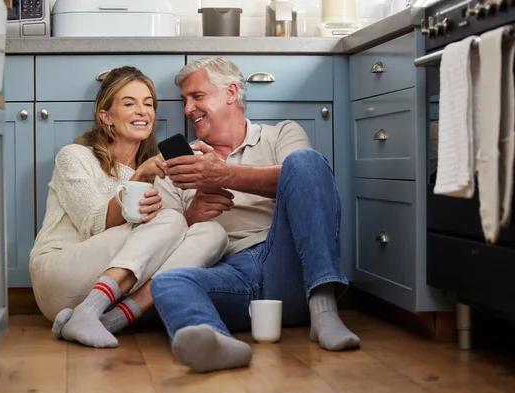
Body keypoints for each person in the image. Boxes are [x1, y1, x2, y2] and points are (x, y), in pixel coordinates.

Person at [150, 57, 361, 373]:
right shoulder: (180, 164)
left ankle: (324, 310)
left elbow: (305, 179)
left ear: (231, 93)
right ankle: (217, 343)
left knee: (305, 162)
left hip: (287, 263)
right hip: (229, 273)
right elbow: (161, 240)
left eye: (197, 96)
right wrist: (192, 214)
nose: (187, 109)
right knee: (167, 282)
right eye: (184, 100)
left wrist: (223, 174)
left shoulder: (280, 135)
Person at [28, 66, 228, 349]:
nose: (142, 111)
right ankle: (87, 311)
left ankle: (111, 320)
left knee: (212, 233)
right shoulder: (75, 157)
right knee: (170, 220)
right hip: (60, 276)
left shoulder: (162, 173)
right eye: (129, 103)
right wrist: (140, 176)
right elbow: (93, 225)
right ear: (106, 117)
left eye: (148, 104)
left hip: (116, 293)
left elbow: (169, 243)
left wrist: (198, 206)